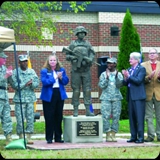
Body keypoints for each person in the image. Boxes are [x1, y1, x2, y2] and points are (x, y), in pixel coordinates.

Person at [63, 25, 95, 117]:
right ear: (77, 34)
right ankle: (75, 109)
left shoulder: (87, 44)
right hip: (76, 70)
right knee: (76, 90)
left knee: (87, 90)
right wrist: (74, 58)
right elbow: (67, 56)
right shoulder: (73, 44)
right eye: (80, 33)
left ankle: (88, 110)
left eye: (83, 33)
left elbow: (92, 54)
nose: (82, 34)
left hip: (86, 70)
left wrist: (89, 59)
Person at [9, 54, 39, 144]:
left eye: (26, 61)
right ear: (19, 62)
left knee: (30, 118)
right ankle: (21, 136)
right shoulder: (15, 72)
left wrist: (32, 84)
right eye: (22, 61)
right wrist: (25, 84)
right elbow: (14, 85)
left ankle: (29, 137)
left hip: (30, 99)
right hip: (20, 100)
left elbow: (36, 83)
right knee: (20, 119)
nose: (24, 63)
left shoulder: (32, 71)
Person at [40, 54, 69, 144]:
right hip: (48, 96)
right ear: (48, 62)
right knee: (49, 117)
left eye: (54, 60)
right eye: (51, 60)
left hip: (59, 94)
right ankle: (49, 138)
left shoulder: (61, 70)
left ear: (57, 61)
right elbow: (45, 82)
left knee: (58, 116)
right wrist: (55, 77)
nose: (52, 62)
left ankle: (58, 137)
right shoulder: (44, 71)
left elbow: (66, 81)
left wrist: (61, 77)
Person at [122, 52, 146, 143]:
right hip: (131, 96)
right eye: (129, 58)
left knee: (139, 118)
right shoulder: (129, 69)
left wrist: (129, 76)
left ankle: (140, 137)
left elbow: (138, 81)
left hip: (139, 96)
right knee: (132, 118)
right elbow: (125, 83)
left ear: (136, 60)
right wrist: (125, 77)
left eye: (131, 59)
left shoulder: (141, 69)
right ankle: (133, 136)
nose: (129, 60)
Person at [98, 57, 123, 142]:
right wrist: (107, 78)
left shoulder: (119, 74)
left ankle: (113, 133)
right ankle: (108, 133)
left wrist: (116, 77)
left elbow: (120, 85)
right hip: (106, 98)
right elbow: (101, 86)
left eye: (111, 63)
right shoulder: (103, 74)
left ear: (115, 64)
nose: (109, 64)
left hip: (116, 98)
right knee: (105, 116)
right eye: (108, 63)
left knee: (116, 116)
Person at [141, 48, 160, 142]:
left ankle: (159, 135)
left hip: (159, 93)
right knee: (148, 116)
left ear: (157, 55)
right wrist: (149, 77)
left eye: (153, 53)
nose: (151, 55)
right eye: (150, 53)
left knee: (159, 116)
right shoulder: (143, 65)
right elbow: (141, 79)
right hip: (148, 93)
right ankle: (150, 135)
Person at [0, 51, 13, 145]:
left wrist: (10, 75)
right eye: (3, 58)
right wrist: (6, 76)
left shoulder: (4, 68)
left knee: (7, 117)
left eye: (5, 58)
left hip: (4, 95)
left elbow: (9, 82)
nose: (5, 59)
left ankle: (8, 137)